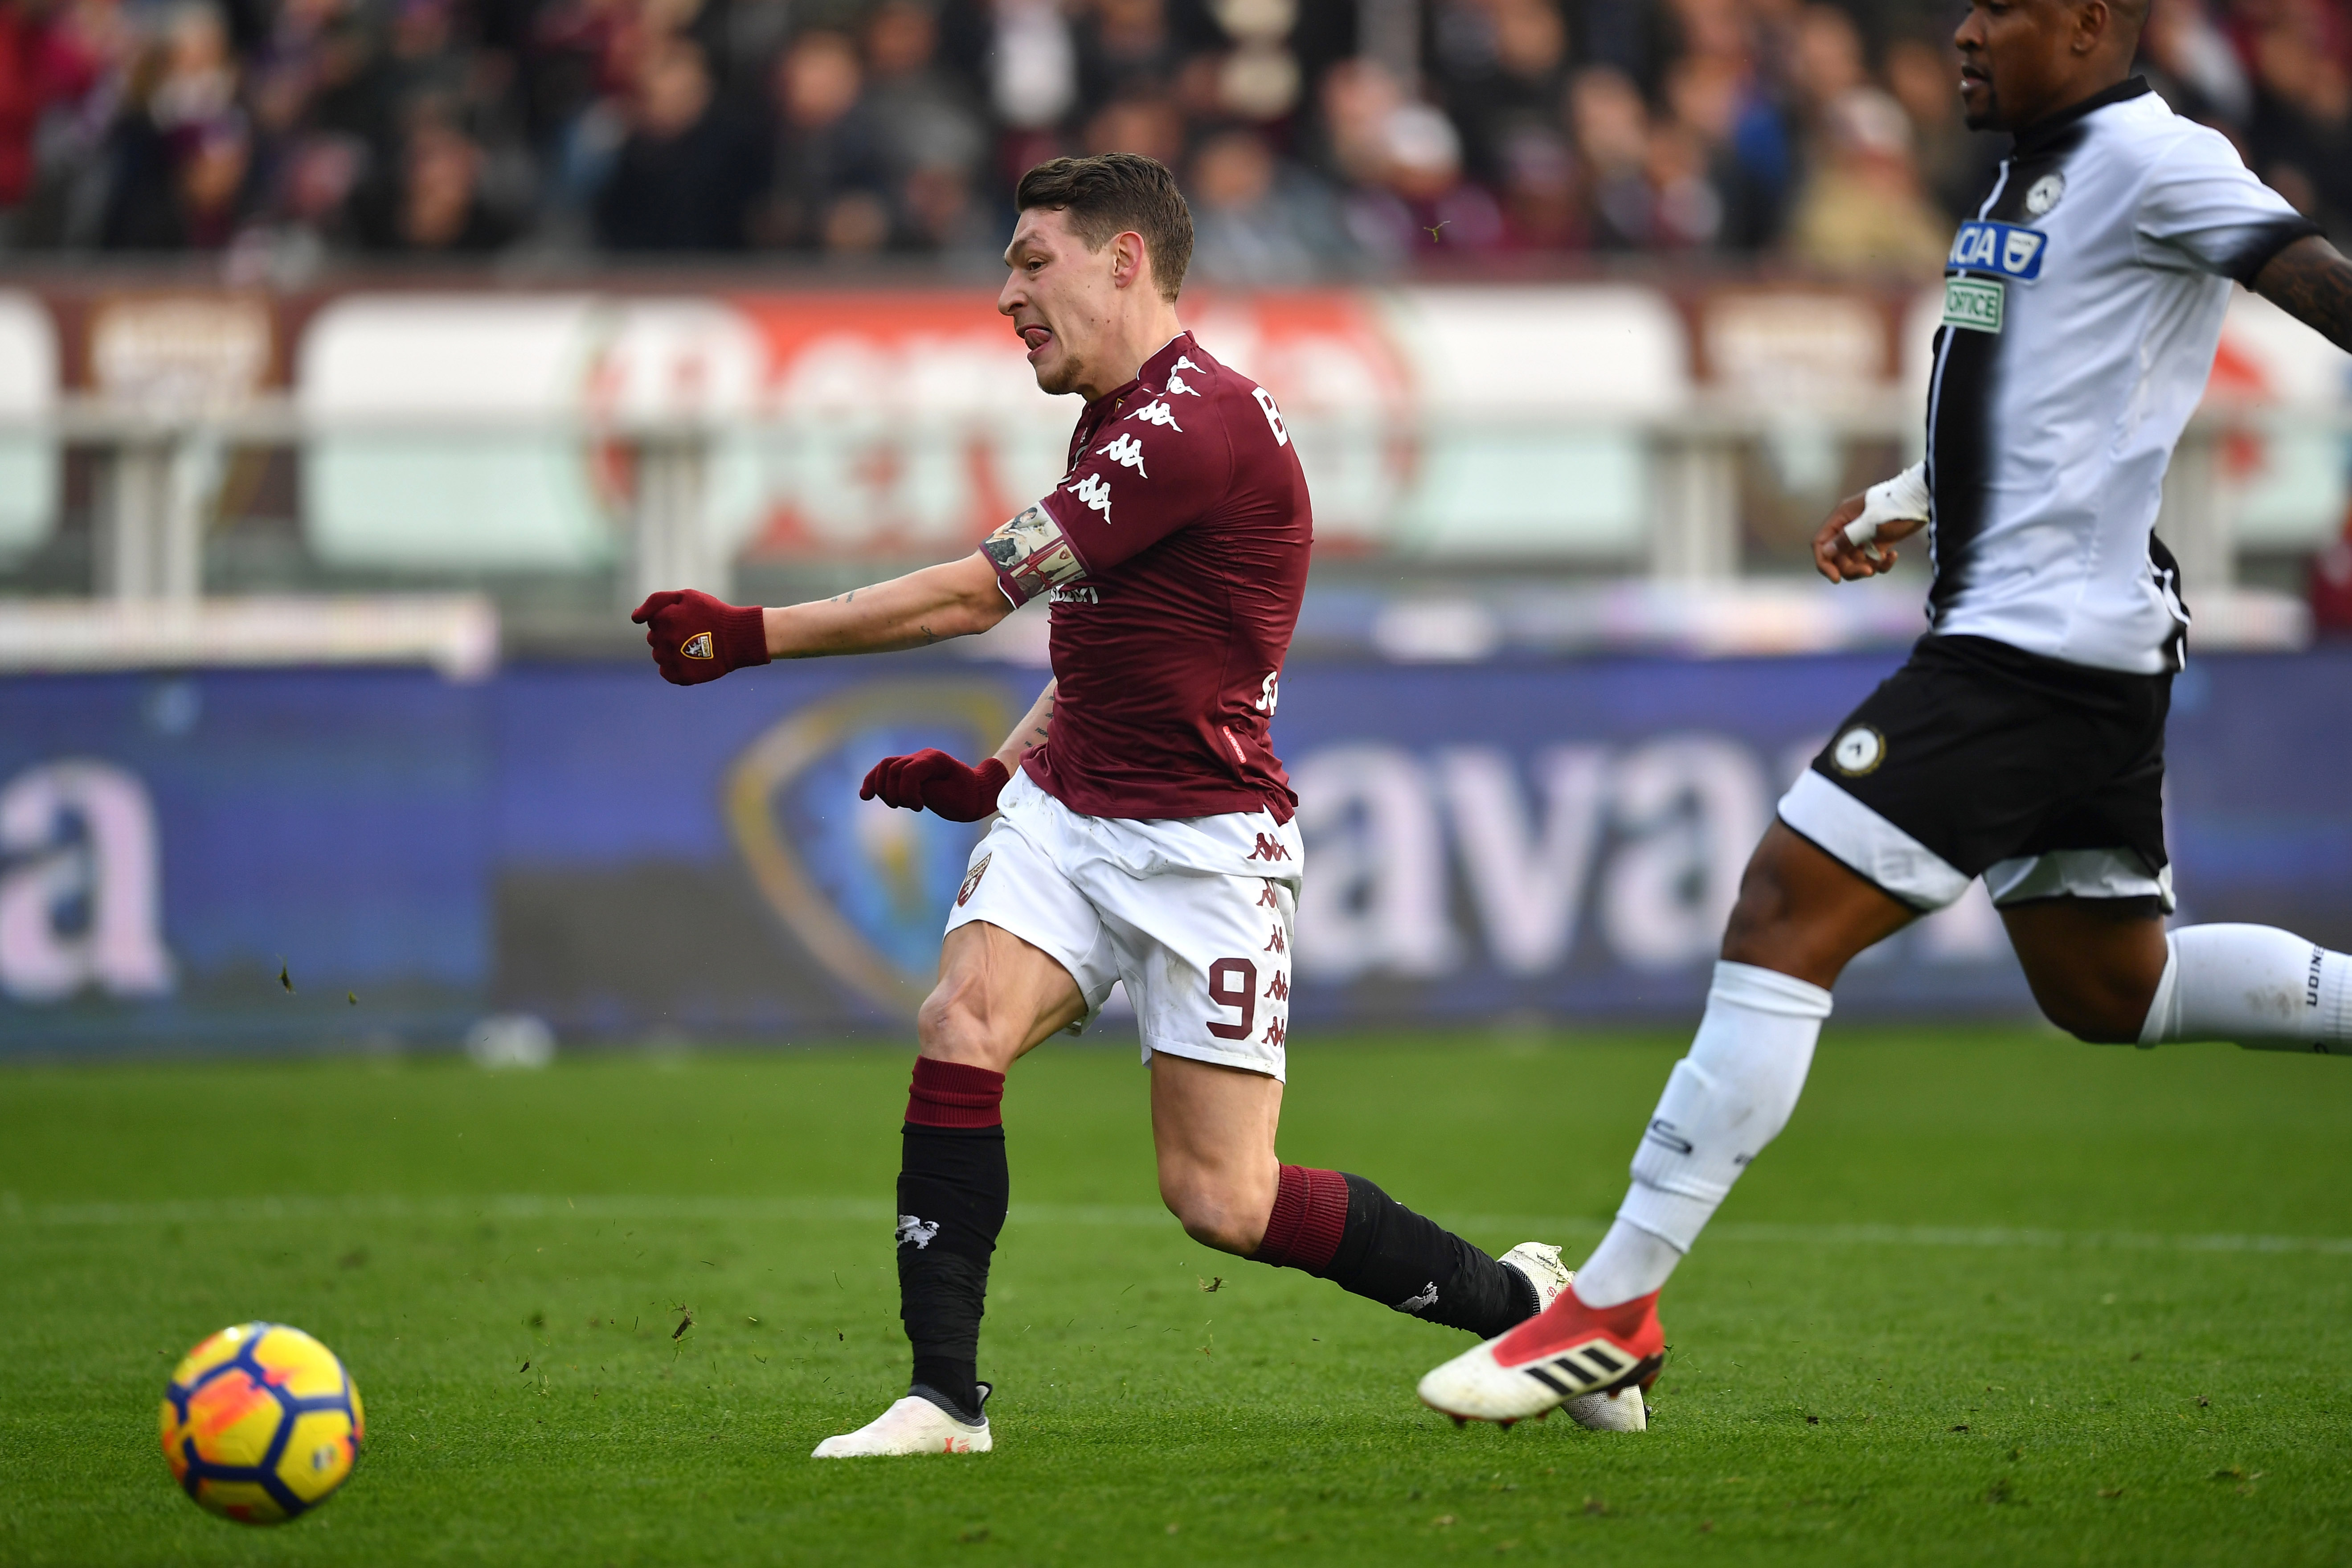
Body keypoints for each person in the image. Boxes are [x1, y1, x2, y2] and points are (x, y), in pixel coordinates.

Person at [1419, 0, 2352, 1426]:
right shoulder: (2030, 168)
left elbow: (2314, 278)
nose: (1966, 33)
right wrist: (1918, 495)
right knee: (2114, 989)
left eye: (2001, 9)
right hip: (2064, 643)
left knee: (1782, 912)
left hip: (2033, 656)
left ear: (2089, 24)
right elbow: (2051, 391)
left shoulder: (2157, 158)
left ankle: (1610, 1307)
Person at [629, 152, 1642, 1457]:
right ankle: (945, 1400)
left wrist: (751, 636)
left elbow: (975, 595)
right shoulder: (1120, 415)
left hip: (1205, 844)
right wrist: (1003, 773)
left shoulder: (1192, 425)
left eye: (1030, 262)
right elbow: (1123, 649)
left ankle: (1535, 1309)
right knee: (959, 1025)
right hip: (1070, 813)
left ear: (1124, 262)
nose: (1006, 295)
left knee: (1223, 1199)